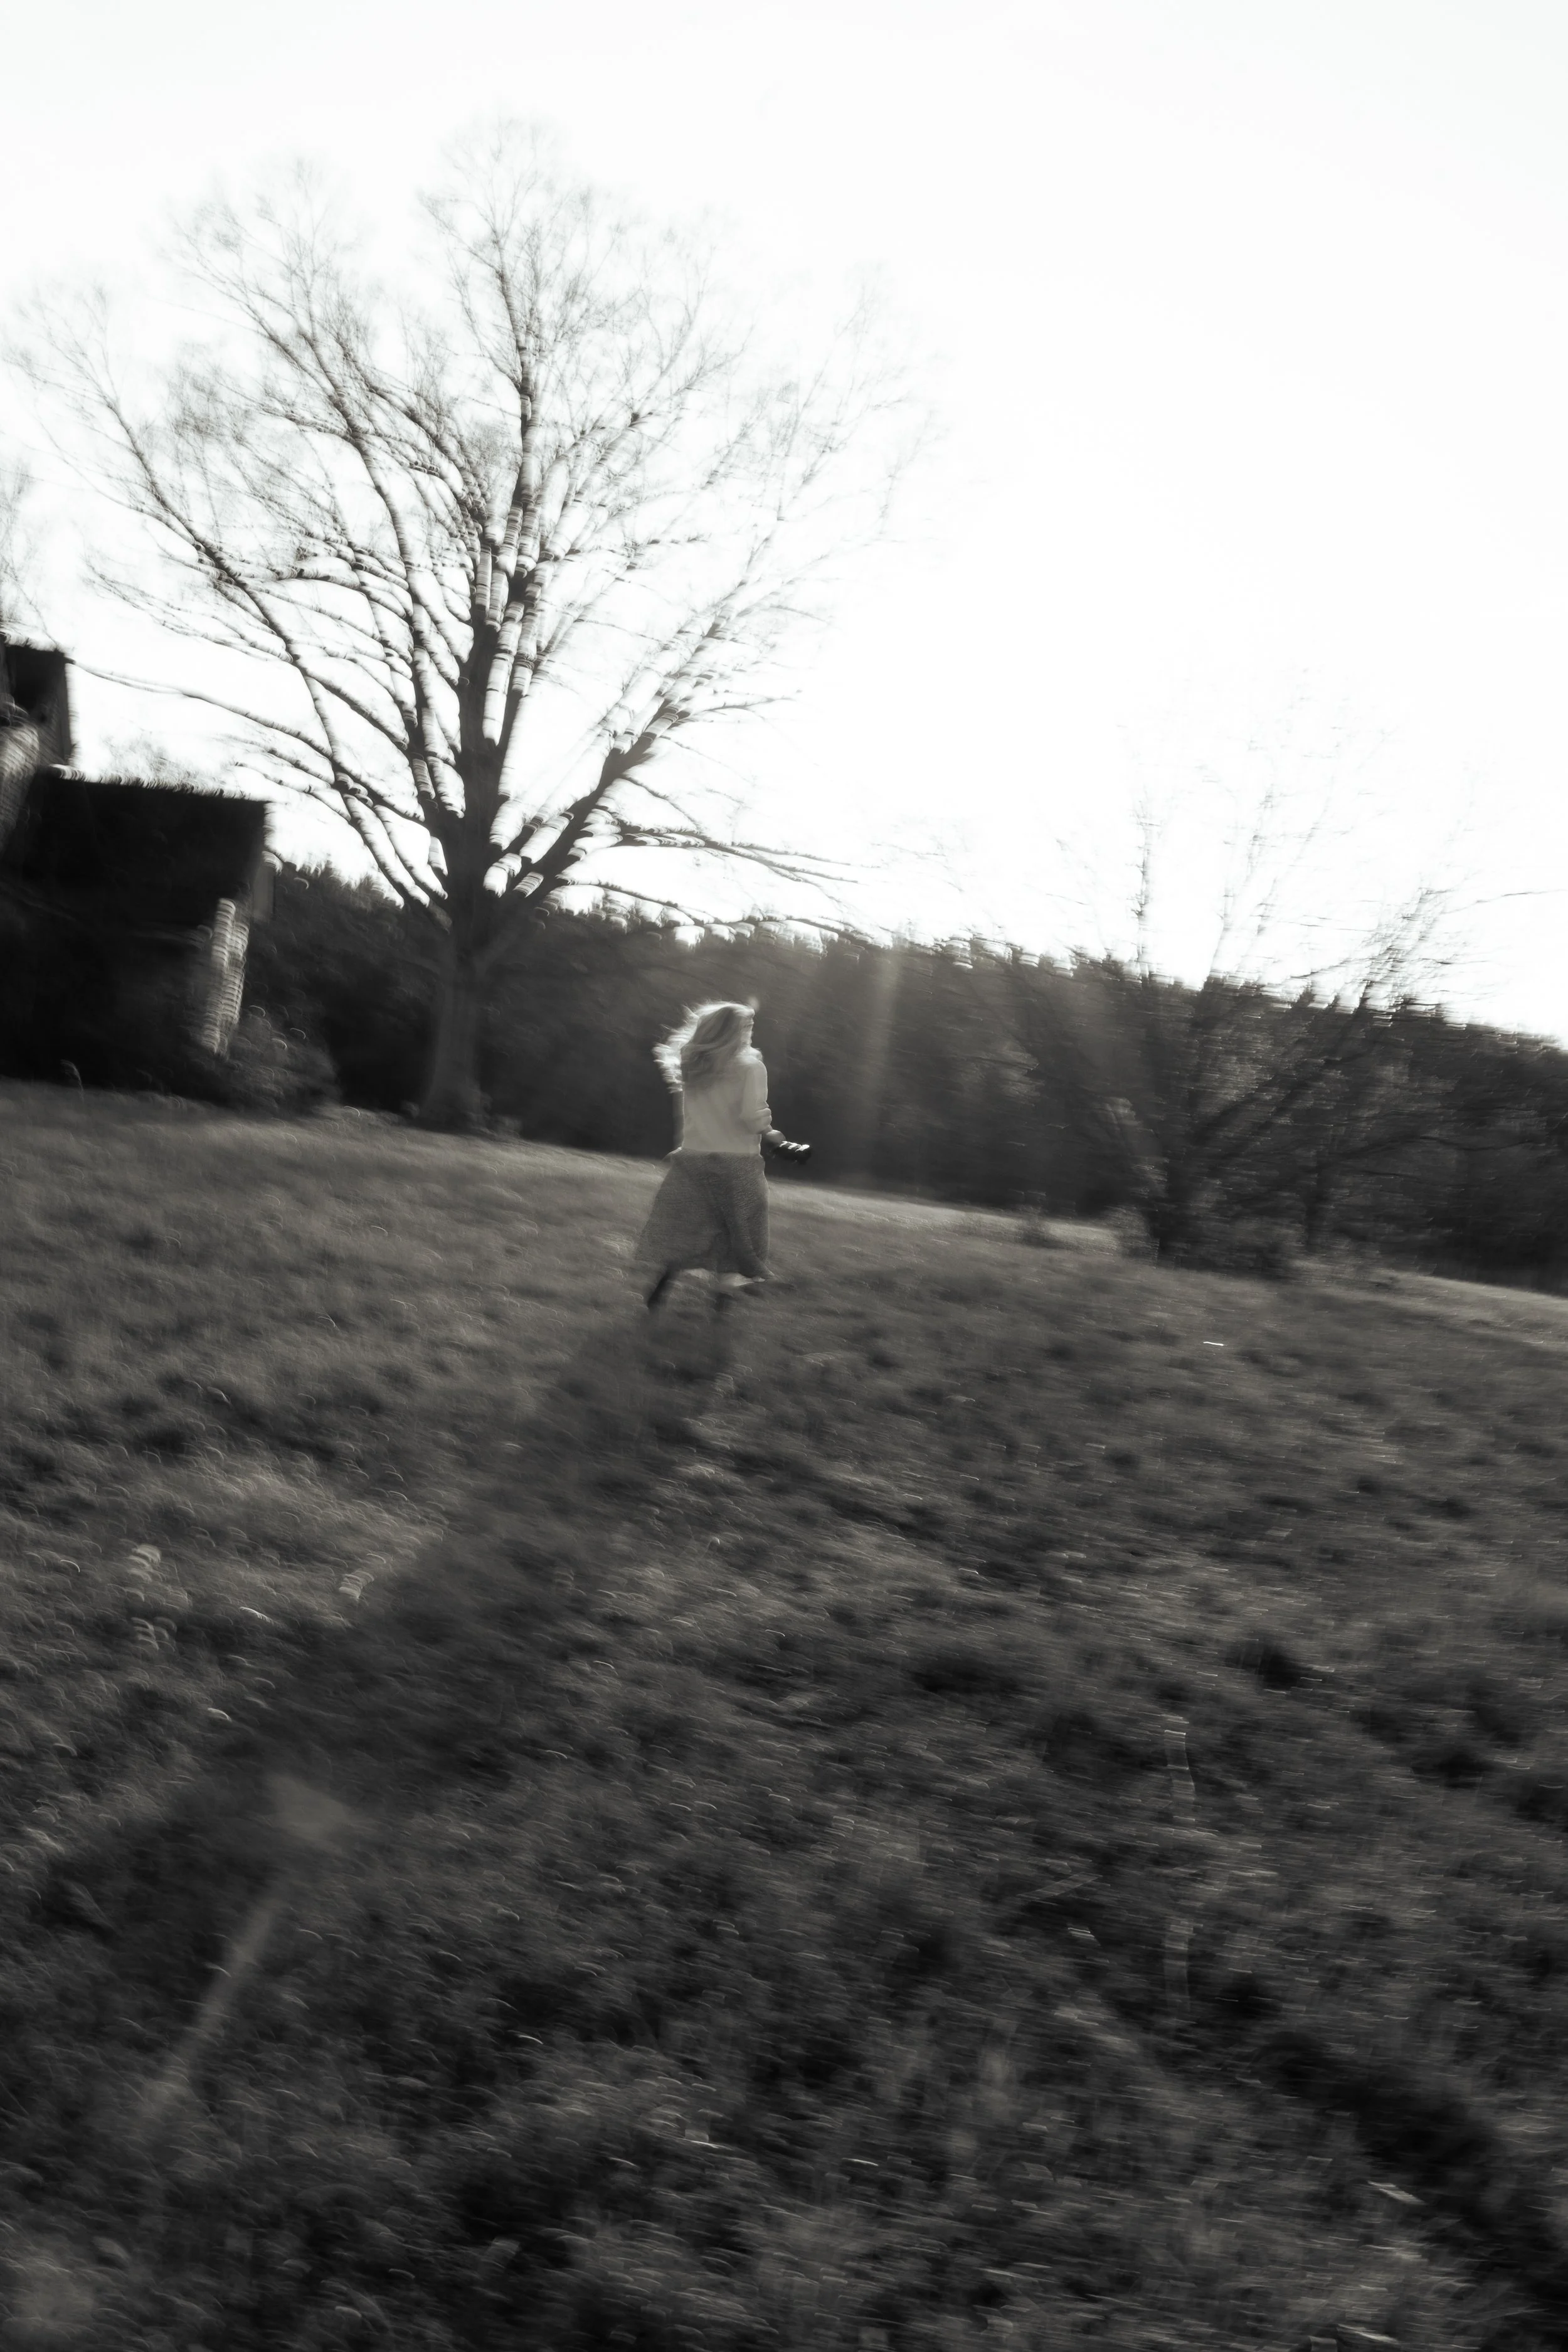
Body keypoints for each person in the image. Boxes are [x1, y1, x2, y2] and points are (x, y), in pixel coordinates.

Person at [635, 1000, 806, 1314]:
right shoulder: (751, 1067)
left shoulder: (693, 1062)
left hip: (692, 1158)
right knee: (737, 1232)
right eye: (748, 1027)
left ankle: (658, 1294)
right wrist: (776, 1138)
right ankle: (722, 1306)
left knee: (688, 1229)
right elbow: (752, 1116)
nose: (752, 1033)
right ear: (734, 1031)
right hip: (737, 1161)